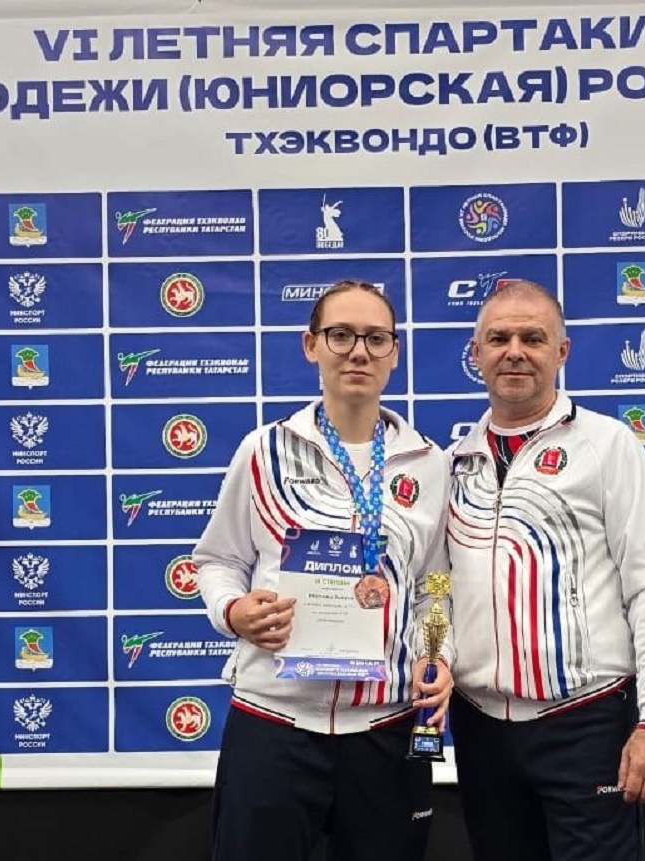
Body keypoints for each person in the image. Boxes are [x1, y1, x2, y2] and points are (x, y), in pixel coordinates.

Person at [192, 280, 454, 861]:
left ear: (395, 352)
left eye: (375, 338)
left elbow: (435, 585)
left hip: (386, 727)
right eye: (340, 335)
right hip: (274, 718)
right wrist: (233, 610)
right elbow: (216, 560)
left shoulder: (429, 463)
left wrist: (436, 654)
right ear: (311, 345)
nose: (358, 352)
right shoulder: (264, 451)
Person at [445, 279, 645, 861]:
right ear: (476, 353)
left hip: (585, 720)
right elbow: (437, 593)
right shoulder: (453, 463)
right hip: (479, 727)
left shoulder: (608, 445)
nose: (515, 351)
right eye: (498, 338)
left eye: (533, 338)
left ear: (562, 351)